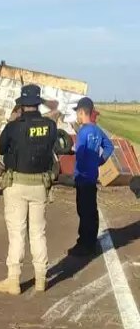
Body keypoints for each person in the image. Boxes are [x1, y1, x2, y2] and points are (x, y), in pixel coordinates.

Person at [0, 85, 57, 295]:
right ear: (38, 102)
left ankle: (13, 281)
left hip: (17, 184)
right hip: (40, 184)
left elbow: (1, 148)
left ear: (21, 104)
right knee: (38, 233)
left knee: (17, 233)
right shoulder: (50, 125)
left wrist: (12, 124)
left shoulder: (14, 126)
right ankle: (40, 279)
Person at [67, 97, 114, 257]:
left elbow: (80, 154)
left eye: (77, 114)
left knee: (84, 211)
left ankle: (85, 245)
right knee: (91, 210)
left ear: (82, 112)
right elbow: (109, 146)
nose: (77, 118)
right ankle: (90, 241)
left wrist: (76, 171)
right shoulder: (97, 130)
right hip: (92, 176)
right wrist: (99, 161)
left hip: (83, 177)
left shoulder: (83, 132)